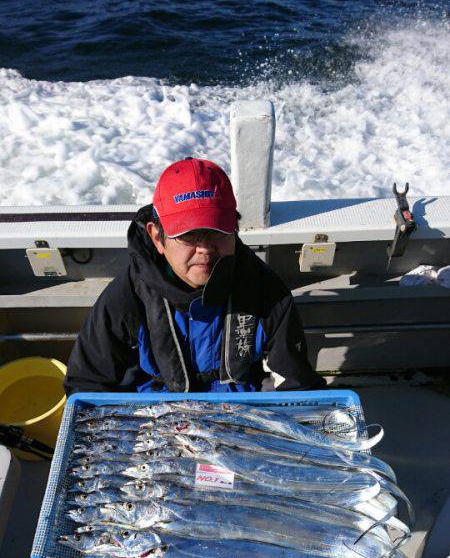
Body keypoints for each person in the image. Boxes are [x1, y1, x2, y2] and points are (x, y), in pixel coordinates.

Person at [64, 157, 325, 394]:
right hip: (155, 421)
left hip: (244, 418)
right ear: (157, 237)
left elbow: (295, 385)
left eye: (218, 232)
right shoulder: (126, 298)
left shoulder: (267, 292)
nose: (205, 249)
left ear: (234, 229)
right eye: (188, 235)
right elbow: (87, 387)